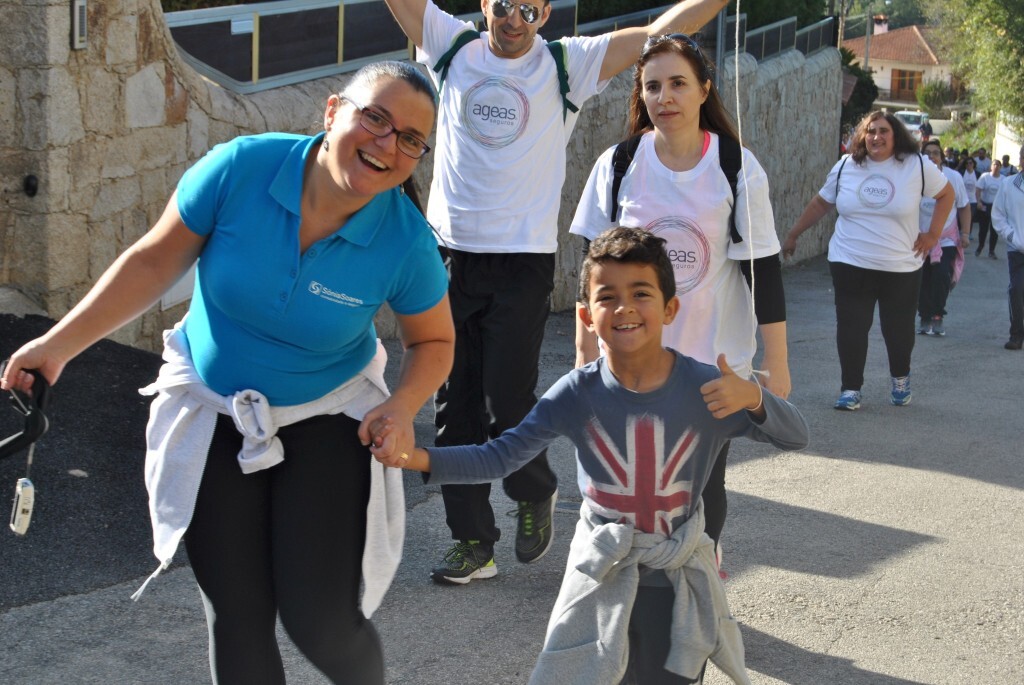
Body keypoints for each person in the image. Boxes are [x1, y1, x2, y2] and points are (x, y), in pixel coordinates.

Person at [0, 61, 455, 685]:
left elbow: (433, 339)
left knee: (318, 619)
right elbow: (155, 260)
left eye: (410, 138)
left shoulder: (405, 241)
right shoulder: (242, 168)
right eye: (375, 117)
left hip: (325, 416)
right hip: (214, 411)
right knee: (236, 615)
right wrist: (57, 346)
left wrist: (402, 405)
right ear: (332, 113)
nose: (387, 143)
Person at [381, 0, 730, 584]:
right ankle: (472, 542)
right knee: (452, 406)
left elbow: (660, 31)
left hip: (521, 260)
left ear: (545, 14)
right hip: (444, 255)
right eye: (502, 5)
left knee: (507, 401)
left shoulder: (568, 66)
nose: (513, 20)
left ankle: (533, 487)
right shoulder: (450, 43)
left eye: (529, 9)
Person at [372, 227, 809, 685]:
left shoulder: (707, 389)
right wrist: (416, 458)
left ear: (670, 308)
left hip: (674, 583)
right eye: (607, 297)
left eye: (641, 293)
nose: (624, 308)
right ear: (586, 314)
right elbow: (499, 457)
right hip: (600, 578)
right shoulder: (576, 394)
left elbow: (795, 436)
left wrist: (754, 397)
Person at [569, 33, 790, 558]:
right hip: (628, 358)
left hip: (711, 360)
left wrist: (775, 364)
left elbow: (765, 270)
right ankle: (631, 574)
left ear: (703, 90)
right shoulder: (619, 164)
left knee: (701, 481)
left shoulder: (736, 166)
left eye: (677, 84)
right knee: (630, 475)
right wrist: (583, 353)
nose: (664, 97)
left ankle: (700, 572)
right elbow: (591, 272)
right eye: (652, 86)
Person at [782, 110, 953, 410]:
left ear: (896, 135)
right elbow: (822, 202)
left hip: (900, 265)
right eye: (871, 131)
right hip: (850, 260)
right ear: (862, 135)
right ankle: (850, 389)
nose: (876, 137)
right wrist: (794, 233)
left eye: (884, 131)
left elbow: (946, 195)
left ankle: (900, 377)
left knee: (897, 329)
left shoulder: (916, 166)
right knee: (851, 327)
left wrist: (933, 234)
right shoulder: (847, 165)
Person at [917, 139, 971, 336]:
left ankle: (938, 315)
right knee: (922, 277)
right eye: (927, 153)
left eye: (936, 153)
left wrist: (965, 233)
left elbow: (964, 206)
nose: (932, 156)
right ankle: (924, 316)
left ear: (941, 157)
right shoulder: (916, 177)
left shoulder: (953, 177)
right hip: (921, 237)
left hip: (946, 238)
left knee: (941, 275)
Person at [991, 145, 1024, 350]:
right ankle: (1016, 334)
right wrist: (1012, 236)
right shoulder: (1009, 184)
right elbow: (998, 215)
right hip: (1017, 249)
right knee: (1017, 290)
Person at [976, 159, 1003, 258]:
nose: (996, 166)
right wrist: (978, 201)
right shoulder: (985, 176)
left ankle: (991, 251)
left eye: (998, 165)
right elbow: (978, 190)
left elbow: (1005, 194)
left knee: (994, 229)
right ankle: (980, 245)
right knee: (983, 229)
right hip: (985, 205)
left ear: (1000, 167)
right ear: (991, 166)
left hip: (996, 207)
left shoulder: (1003, 179)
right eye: (994, 164)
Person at [961, 157, 979, 240]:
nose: (969, 165)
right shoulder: (961, 173)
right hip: (963, 199)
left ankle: (969, 232)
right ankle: (961, 230)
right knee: (961, 216)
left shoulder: (977, 174)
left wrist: (979, 200)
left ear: (973, 164)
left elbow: (980, 188)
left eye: (970, 163)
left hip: (973, 200)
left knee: (970, 217)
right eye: (967, 163)